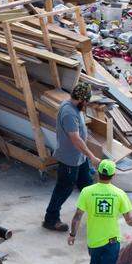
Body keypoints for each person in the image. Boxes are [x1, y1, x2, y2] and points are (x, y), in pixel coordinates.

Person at [43, 82, 100, 231]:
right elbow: (75, 139)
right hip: (70, 159)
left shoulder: (76, 107)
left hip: (79, 158)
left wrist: (86, 156)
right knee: (64, 189)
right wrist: (92, 156)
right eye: (86, 101)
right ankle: (50, 219)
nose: (87, 104)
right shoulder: (69, 113)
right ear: (81, 99)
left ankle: (97, 215)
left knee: (87, 186)